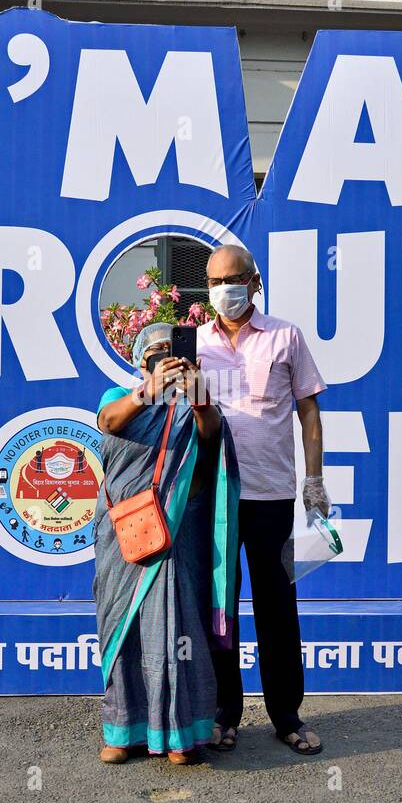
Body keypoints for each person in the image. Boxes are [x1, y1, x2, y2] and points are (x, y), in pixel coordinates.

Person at [197, 245, 330, 756]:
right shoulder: (195, 344)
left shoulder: (285, 336)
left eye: (232, 279)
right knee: (219, 608)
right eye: (213, 281)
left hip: (272, 494)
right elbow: (169, 414)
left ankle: (287, 716)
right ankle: (222, 714)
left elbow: (309, 412)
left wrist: (313, 480)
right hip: (213, 497)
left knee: (278, 607)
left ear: (254, 282)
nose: (222, 290)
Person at [93, 322, 241, 766]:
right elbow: (109, 423)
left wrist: (198, 399)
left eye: (170, 349)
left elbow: (212, 438)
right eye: (155, 351)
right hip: (125, 537)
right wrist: (148, 391)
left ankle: (182, 735)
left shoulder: (194, 402)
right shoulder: (117, 395)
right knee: (126, 630)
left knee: (179, 632)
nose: (165, 356)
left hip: (179, 534)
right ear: (141, 362)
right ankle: (123, 731)